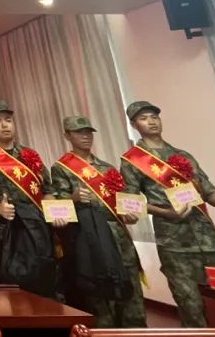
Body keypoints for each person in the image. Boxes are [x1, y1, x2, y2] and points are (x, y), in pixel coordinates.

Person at [120, 101, 215, 327]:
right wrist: (165, 212)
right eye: (143, 118)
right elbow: (129, 203)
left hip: (207, 241)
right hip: (175, 245)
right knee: (191, 308)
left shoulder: (184, 156)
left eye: (154, 117)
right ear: (133, 125)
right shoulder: (133, 161)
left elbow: (212, 196)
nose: (151, 122)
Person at [52, 114, 145, 328]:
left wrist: (130, 214)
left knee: (131, 289)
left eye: (88, 132)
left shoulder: (107, 167)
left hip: (119, 237)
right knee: (100, 293)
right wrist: (73, 197)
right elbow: (58, 207)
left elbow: (122, 202)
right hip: (91, 236)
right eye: (79, 132)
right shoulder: (61, 168)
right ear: (67, 136)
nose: (85, 136)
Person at [0, 100, 59, 298]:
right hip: (10, 229)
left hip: (39, 227)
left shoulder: (30, 154)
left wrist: (54, 213)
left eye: (8, 120)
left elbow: (48, 189)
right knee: (18, 287)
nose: (4, 125)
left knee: (47, 282)